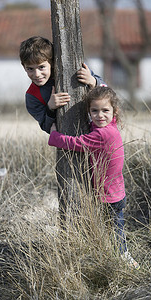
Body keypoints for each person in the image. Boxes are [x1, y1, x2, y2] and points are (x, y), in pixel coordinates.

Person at [48, 86, 140, 269]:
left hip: (108, 196)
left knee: (114, 232)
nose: (100, 116)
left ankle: (124, 259)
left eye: (105, 110)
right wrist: (93, 82)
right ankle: (116, 256)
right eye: (94, 111)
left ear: (114, 111)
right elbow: (92, 127)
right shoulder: (110, 127)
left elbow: (76, 143)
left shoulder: (103, 134)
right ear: (88, 112)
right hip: (115, 192)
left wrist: (54, 136)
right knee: (114, 229)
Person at [19, 36, 106, 133]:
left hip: (99, 132)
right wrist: (50, 108)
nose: (37, 74)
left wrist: (93, 81)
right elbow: (47, 128)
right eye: (30, 69)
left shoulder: (75, 69)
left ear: (51, 62)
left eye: (41, 67)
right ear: (24, 66)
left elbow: (107, 92)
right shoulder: (32, 96)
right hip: (68, 141)